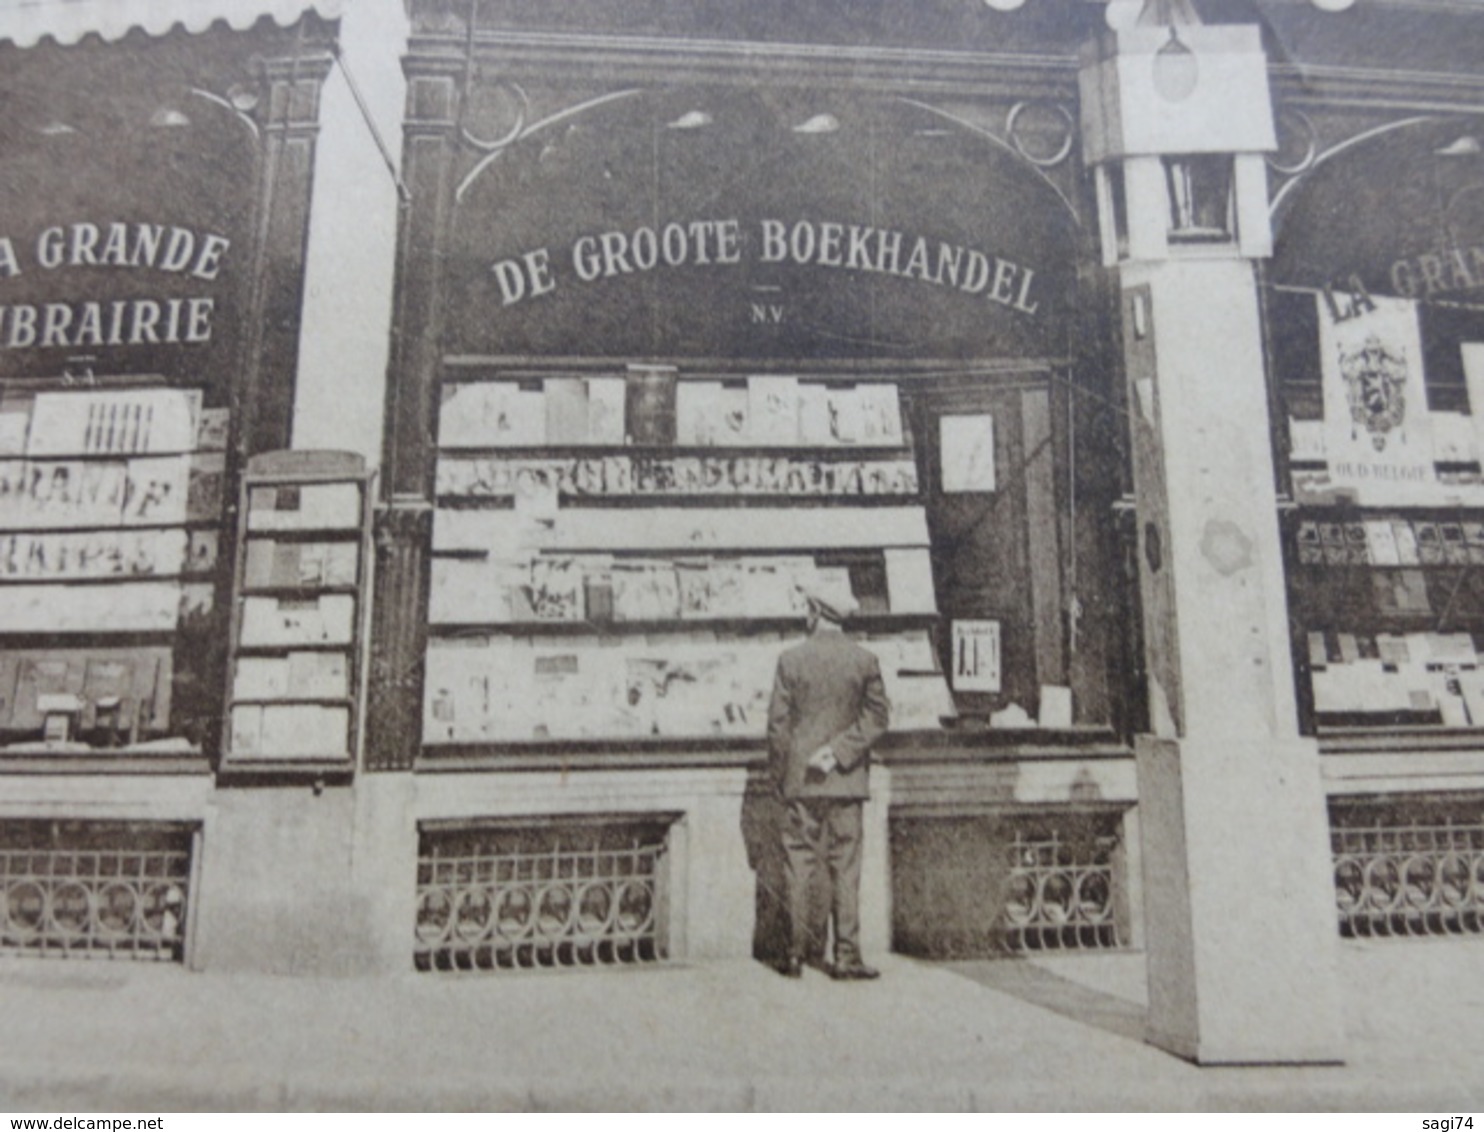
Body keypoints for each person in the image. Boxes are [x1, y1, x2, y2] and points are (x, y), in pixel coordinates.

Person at [766, 579, 891, 980]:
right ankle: (846, 956)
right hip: (846, 781)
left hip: (800, 783)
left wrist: (783, 778)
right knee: (846, 868)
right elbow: (877, 718)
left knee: (798, 866)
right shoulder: (864, 661)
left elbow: (777, 729)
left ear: (815, 613)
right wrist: (839, 752)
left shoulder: (790, 660)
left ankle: (794, 954)